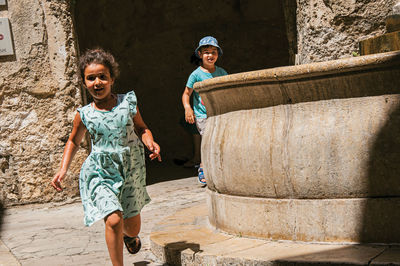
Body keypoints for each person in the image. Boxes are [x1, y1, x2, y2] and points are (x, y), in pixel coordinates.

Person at [51, 48, 161, 266]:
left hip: (130, 169)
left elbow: (141, 128)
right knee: (113, 219)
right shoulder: (84, 115)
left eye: (103, 76)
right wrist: (63, 169)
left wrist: (150, 141)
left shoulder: (127, 102)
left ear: (112, 78)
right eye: (91, 78)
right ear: (84, 82)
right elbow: (73, 141)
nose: (97, 82)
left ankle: (129, 236)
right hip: (101, 172)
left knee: (131, 226)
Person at [182, 36, 228, 186]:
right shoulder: (196, 75)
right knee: (208, 142)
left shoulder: (221, 72)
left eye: (213, 52)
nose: (210, 55)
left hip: (218, 113)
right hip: (202, 115)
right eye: (207, 52)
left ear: (218, 55)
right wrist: (188, 108)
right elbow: (186, 94)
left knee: (219, 141)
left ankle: (217, 169)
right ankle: (203, 166)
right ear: (200, 55)